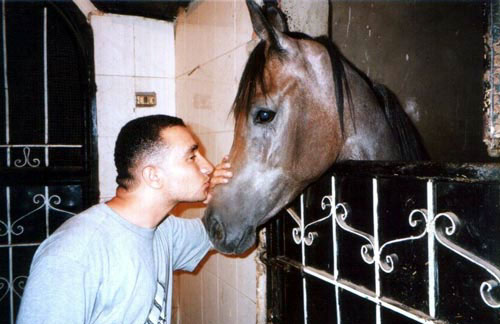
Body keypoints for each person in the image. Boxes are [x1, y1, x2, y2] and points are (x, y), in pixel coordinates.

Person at [16, 115, 232, 324]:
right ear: (153, 176)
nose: (208, 167)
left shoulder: (164, 230)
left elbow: (222, 231)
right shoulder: (75, 252)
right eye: (192, 157)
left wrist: (225, 195)